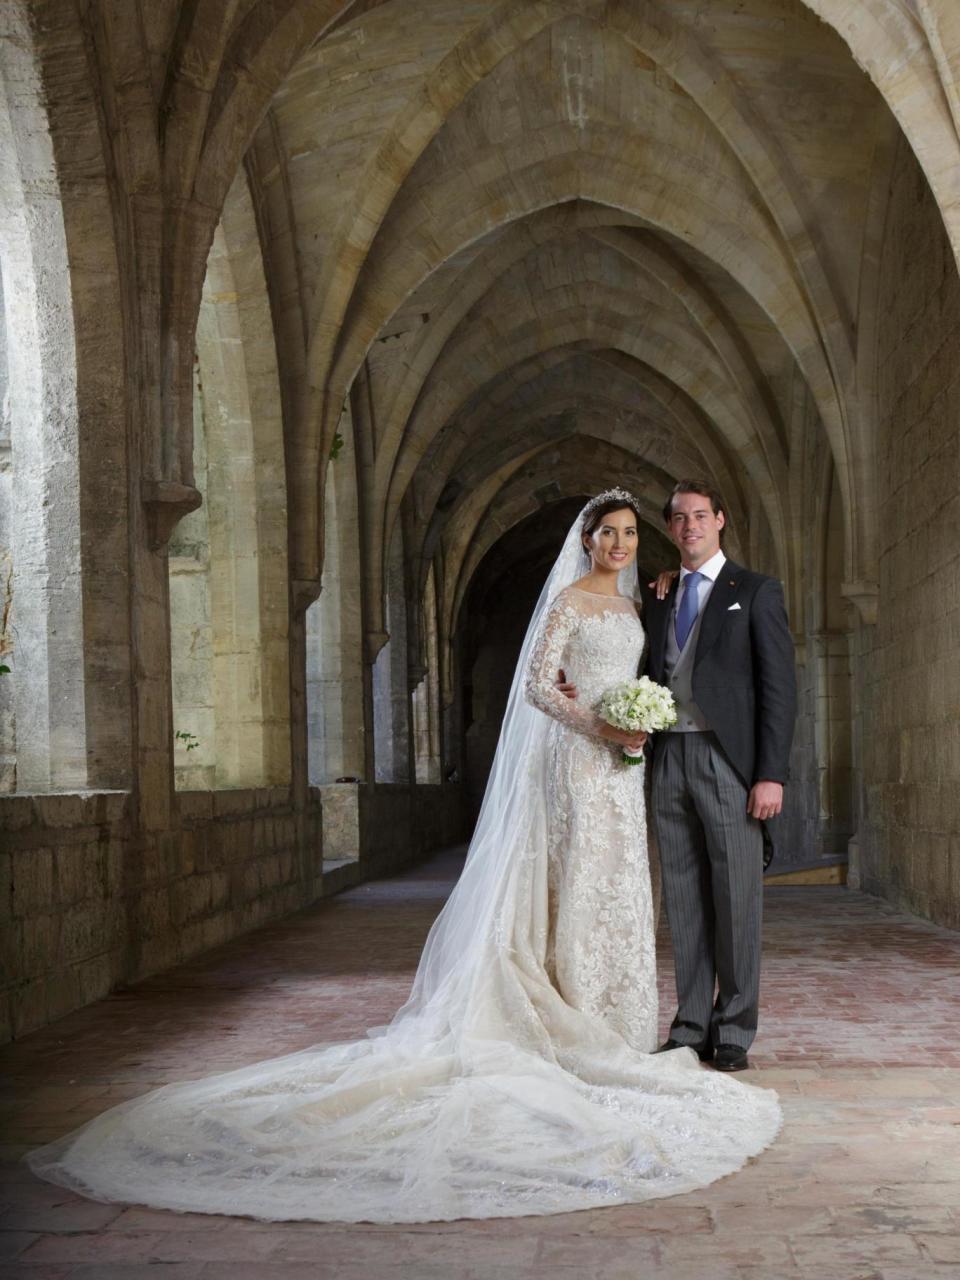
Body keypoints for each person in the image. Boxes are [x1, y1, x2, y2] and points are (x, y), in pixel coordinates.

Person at [26, 489, 781, 1225]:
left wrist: (685, 742)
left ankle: (682, 1024)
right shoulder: (581, 600)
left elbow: (736, 674)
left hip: (646, 769)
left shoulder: (655, 597)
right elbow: (538, 685)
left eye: (632, 531)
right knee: (602, 885)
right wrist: (604, 726)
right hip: (594, 762)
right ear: (586, 541)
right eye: (609, 532)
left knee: (636, 889)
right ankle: (630, 1022)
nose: (622, 542)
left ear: (706, 526)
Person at [564, 481, 796, 1073]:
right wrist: (572, 685)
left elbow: (779, 690)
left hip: (729, 763)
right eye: (679, 518)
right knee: (686, 899)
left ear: (719, 520)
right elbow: (617, 660)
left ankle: (735, 1030)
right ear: (670, 530)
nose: (690, 526)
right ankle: (691, 1024)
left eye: (700, 515)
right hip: (666, 760)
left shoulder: (758, 591)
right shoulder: (659, 594)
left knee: (736, 897)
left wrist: (771, 775)